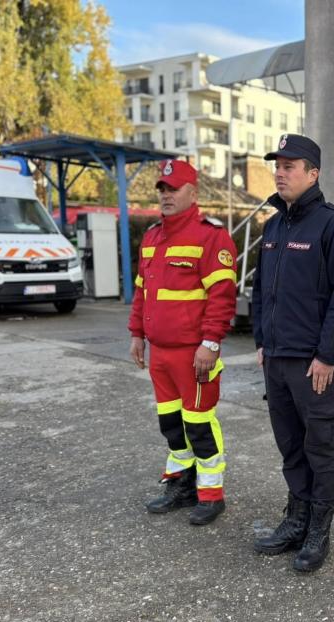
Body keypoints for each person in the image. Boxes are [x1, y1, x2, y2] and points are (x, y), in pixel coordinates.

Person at [251, 133, 334, 572]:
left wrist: (328, 356)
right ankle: (296, 518)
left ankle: (319, 528)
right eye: (277, 166)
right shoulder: (273, 227)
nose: (280, 173)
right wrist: (262, 342)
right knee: (290, 445)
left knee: (320, 446)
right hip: (277, 359)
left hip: (314, 362)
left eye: (289, 166)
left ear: (313, 174)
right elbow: (260, 290)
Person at [128, 159, 237, 526]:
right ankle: (181, 486)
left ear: (193, 193)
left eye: (173, 189)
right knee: (172, 425)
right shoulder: (152, 237)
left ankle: (211, 495)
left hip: (194, 355)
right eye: (162, 189)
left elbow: (222, 297)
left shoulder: (211, 236)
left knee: (199, 425)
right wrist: (136, 334)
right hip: (160, 354)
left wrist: (211, 343)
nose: (166, 195)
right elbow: (142, 292)